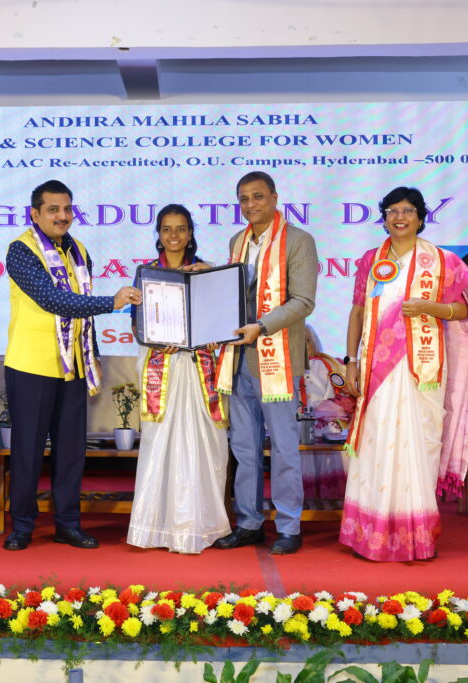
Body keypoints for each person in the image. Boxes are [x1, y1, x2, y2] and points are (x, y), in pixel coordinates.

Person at [340, 186, 468, 562]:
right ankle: (371, 534)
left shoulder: (443, 261)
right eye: (392, 211)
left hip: (423, 369)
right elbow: (358, 311)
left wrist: (430, 307)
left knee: (419, 445)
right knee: (375, 444)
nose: (399, 217)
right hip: (376, 370)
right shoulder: (371, 260)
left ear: (421, 218)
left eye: (407, 210)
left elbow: (465, 310)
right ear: (384, 218)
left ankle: (415, 534)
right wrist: (350, 361)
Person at [2, 180, 141, 551]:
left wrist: (92, 353)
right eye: (53, 210)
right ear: (35, 214)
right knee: (28, 452)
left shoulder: (78, 249)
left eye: (67, 209)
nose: (62, 216)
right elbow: (53, 300)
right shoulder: (21, 250)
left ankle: (68, 524)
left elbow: (81, 310)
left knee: (71, 451)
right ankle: (22, 526)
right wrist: (112, 302)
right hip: (31, 365)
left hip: (74, 365)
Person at [213, 171, 318, 555]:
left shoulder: (299, 241)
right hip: (239, 358)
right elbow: (233, 294)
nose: (250, 204)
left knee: (285, 448)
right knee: (244, 448)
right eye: (243, 198)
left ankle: (289, 526)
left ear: (274, 197)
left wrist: (262, 326)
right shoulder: (237, 241)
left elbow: (303, 301)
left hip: (278, 361)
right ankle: (249, 522)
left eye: (257, 196)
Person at [127, 204, 230, 554]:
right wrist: (156, 339)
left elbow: (222, 318)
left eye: (181, 228)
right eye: (167, 229)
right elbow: (137, 323)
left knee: (207, 442)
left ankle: (204, 525)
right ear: (158, 233)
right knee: (160, 442)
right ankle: (155, 526)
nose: (174, 235)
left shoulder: (206, 271)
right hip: (163, 364)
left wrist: (215, 334)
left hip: (199, 366)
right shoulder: (146, 273)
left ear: (191, 233)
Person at [299, 327, 353, 499]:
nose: (304, 345)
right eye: (299, 341)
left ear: (314, 342)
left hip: (326, 419)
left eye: (307, 340)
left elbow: (333, 394)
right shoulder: (290, 368)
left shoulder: (326, 364)